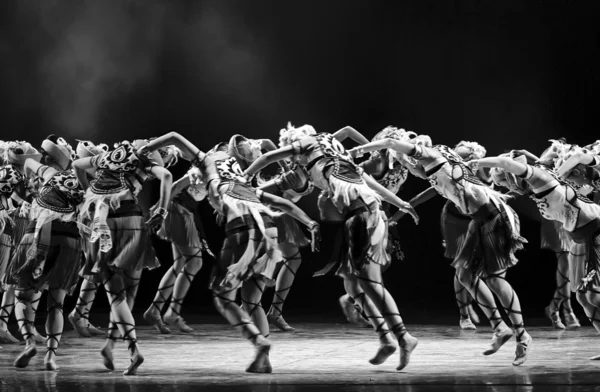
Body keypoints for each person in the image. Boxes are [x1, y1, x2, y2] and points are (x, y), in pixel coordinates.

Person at [138, 132, 321, 373]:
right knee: (252, 301)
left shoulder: (208, 160)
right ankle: (263, 359)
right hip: (269, 232)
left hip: (244, 231)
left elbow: (174, 137)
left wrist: (145, 149)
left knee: (223, 297)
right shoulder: (243, 181)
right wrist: (311, 224)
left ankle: (259, 342)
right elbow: (282, 204)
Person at [243, 123, 420, 371]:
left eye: (294, 154)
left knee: (370, 282)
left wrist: (242, 178)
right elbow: (365, 179)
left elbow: (270, 156)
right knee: (353, 282)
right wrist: (400, 202)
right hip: (363, 214)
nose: (294, 159)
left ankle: (403, 337)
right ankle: (386, 338)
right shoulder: (337, 157)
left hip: (362, 215)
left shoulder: (307, 152)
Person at [349, 135, 531, 366]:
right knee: (464, 275)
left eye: (407, 164)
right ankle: (500, 328)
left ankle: (522, 335)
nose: (408, 169)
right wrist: (404, 205)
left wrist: (359, 149)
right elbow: (421, 174)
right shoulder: (437, 164)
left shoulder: (432, 155)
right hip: (479, 219)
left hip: (494, 217)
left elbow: (393, 144)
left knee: (495, 280)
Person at [477, 150, 600, 360]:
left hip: (596, 232)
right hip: (579, 238)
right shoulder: (536, 187)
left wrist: (475, 162)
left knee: (593, 295)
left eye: (505, 183)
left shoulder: (541, 178)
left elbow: (504, 162)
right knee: (581, 296)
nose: (507, 188)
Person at [73, 139, 172, 375]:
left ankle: (133, 350)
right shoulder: (145, 163)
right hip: (134, 222)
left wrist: (87, 191)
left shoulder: (105, 159)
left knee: (115, 295)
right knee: (129, 293)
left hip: (107, 223)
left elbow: (77, 164)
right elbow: (167, 176)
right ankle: (109, 346)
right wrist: (162, 211)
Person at [9, 136, 85, 370]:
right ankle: (51, 357)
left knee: (23, 295)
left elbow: (29, 164)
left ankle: (29, 342)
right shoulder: (84, 180)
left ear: (49, 159)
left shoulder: (48, 174)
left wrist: (33, 181)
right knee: (57, 303)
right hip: (70, 238)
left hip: (38, 232)